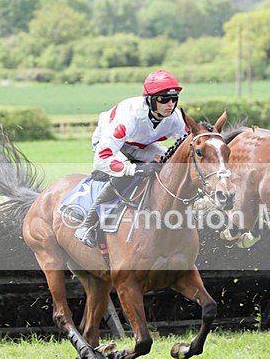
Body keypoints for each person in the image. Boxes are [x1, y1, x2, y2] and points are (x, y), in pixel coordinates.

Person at [74, 69, 188, 247]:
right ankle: (88, 223)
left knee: (168, 165)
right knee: (126, 174)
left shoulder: (175, 118)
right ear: (150, 99)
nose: (170, 104)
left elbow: (186, 145)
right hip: (110, 145)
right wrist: (138, 168)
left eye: (174, 99)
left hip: (141, 145)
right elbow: (101, 159)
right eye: (164, 99)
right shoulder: (130, 117)